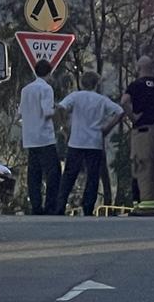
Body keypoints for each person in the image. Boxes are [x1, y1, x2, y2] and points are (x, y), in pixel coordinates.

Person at [55, 71, 124, 216]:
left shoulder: (76, 96)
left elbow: (60, 107)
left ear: (81, 83)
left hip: (76, 141)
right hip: (94, 142)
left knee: (69, 175)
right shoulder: (101, 100)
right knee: (92, 176)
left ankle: (59, 205)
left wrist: (65, 127)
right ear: (96, 84)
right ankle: (88, 206)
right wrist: (107, 128)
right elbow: (119, 112)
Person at [121, 55, 154, 214]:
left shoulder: (136, 85)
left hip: (143, 131)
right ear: (152, 69)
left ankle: (146, 205)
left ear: (138, 69)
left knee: (142, 166)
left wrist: (133, 117)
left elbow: (124, 101)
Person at [19, 60, 61, 215]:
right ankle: (51, 205)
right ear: (49, 73)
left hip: (30, 137)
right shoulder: (46, 89)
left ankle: (36, 206)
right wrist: (56, 109)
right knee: (53, 172)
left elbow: (21, 112)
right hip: (45, 137)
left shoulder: (26, 90)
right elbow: (47, 112)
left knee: (34, 174)